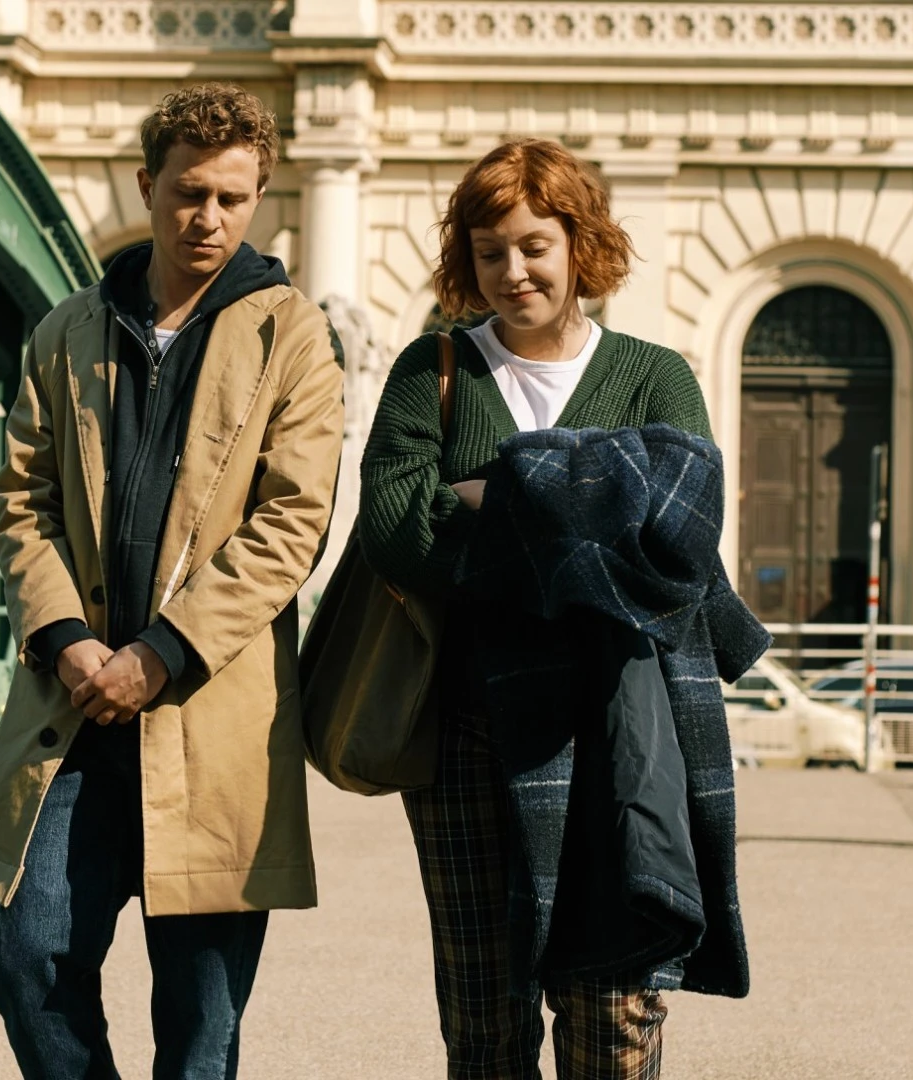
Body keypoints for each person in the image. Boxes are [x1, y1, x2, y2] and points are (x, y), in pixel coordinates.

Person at [0, 84, 344, 1079]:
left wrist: (161, 655)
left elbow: (292, 519)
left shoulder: (291, 335)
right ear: (148, 186)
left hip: (208, 712)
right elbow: (22, 496)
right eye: (188, 194)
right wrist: (65, 638)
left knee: (200, 1026)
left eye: (232, 198)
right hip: (75, 709)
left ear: (258, 196)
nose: (207, 219)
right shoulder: (67, 330)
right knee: (26, 955)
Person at [357, 139, 762, 1080]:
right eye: (490, 250)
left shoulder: (654, 374)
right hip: (464, 731)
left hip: (617, 735)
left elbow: (679, 541)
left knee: (614, 1014)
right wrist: (587, 510)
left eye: (534, 245)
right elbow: (391, 531)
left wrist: (489, 494)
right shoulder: (435, 370)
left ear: (580, 244)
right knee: (483, 1022)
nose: (512, 271)